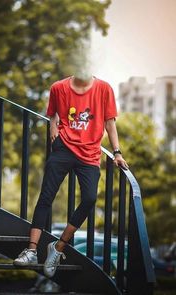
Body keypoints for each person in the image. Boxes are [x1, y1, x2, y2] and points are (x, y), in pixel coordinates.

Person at [13, 72, 128, 278]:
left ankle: (57, 248)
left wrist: (117, 152)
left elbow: (110, 124)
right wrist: (53, 128)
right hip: (63, 149)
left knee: (90, 198)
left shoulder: (104, 88)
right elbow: (52, 114)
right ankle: (31, 250)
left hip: (90, 154)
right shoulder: (58, 87)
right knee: (46, 197)